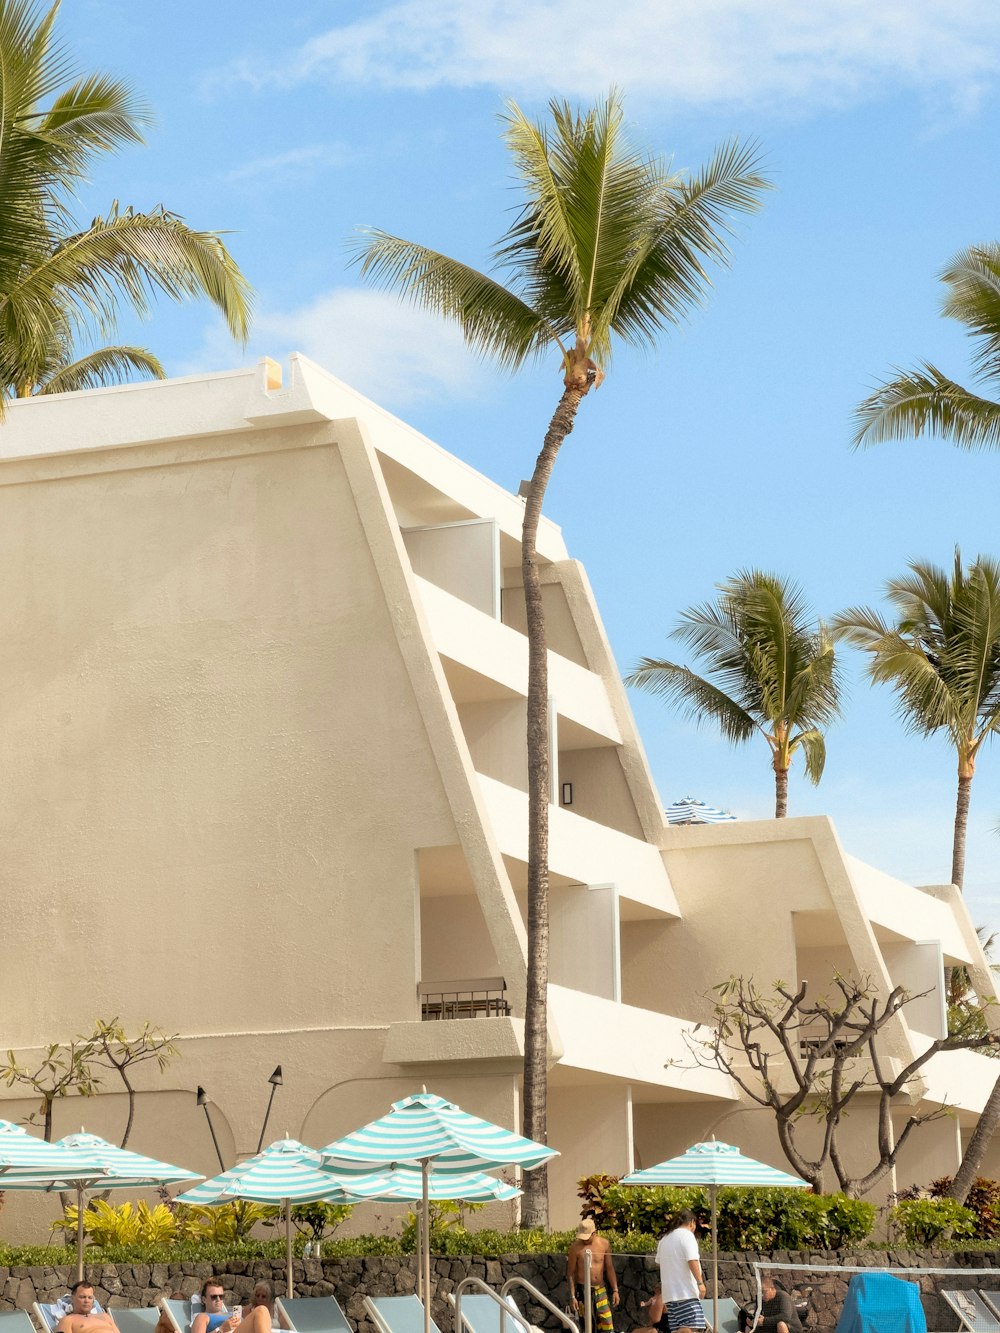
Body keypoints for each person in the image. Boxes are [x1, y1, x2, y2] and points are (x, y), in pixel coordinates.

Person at [655, 1210, 707, 1333]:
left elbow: (659, 1263)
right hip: (685, 1292)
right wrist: (700, 1283)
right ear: (692, 1223)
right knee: (689, 1327)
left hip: (669, 1295)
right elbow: (692, 1260)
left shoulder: (665, 1238)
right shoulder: (687, 1236)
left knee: (677, 1328)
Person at [567, 1217, 620, 1333]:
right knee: (587, 1324)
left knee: (607, 1322)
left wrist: (615, 1290)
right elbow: (571, 1273)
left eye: (586, 1237)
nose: (584, 1240)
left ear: (594, 1233)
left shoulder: (604, 1244)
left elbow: (609, 1268)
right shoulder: (575, 1248)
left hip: (600, 1289)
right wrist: (572, 1297)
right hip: (583, 1289)